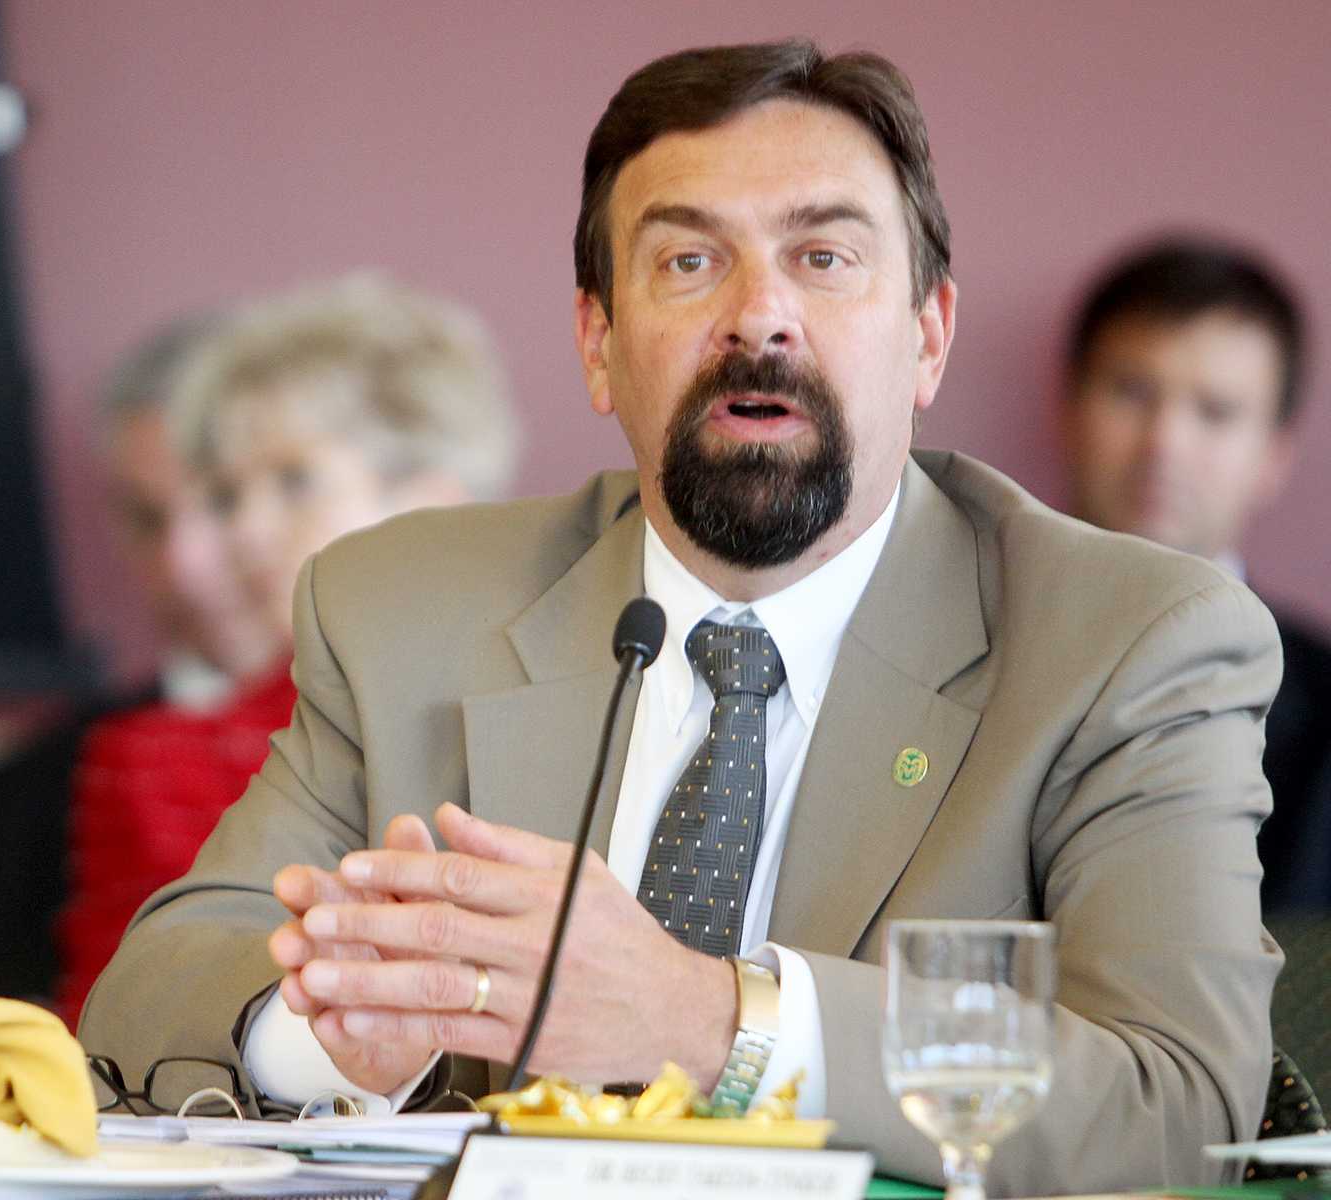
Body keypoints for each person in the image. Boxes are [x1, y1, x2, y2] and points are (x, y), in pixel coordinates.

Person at [79, 41, 1281, 1193]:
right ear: (599, 344)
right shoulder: (402, 608)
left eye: (823, 258)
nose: (760, 316)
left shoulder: (1130, 642)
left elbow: (1176, 1101)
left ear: (927, 336)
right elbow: (151, 999)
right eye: (689, 263)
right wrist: (331, 1032)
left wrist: (711, 1022)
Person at [54, 273, 520, 1025]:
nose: (245, 530)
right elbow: (118, 1045)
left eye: (294, 481)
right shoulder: (148, 762)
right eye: (231, 494)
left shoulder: (574, 710)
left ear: (435, 498)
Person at [0, 313, 283, 1004]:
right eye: (147, 517)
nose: (184, 564)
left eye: (223, 503)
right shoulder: (32, 786)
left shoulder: (424, 747)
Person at [1060, 238, 1331, 913]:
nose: (1165, 445)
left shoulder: (1325, 710)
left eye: (1215, 411)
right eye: (1131, 392)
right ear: (1069, 409)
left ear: (1274, 453)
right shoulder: (953, 648)